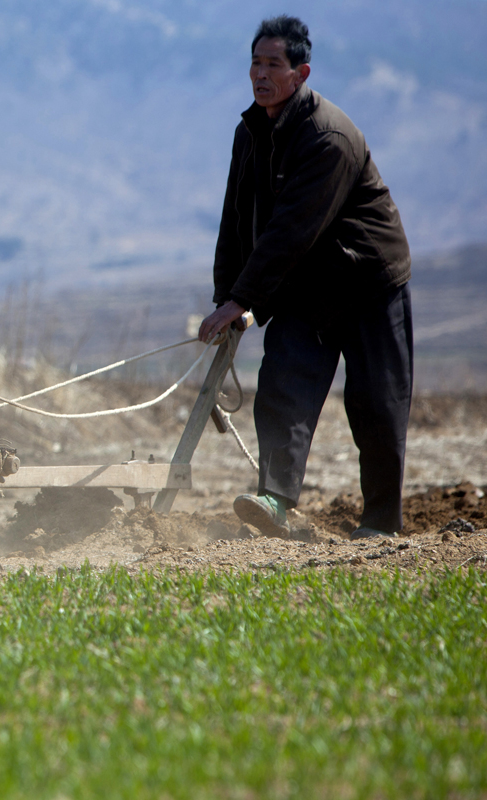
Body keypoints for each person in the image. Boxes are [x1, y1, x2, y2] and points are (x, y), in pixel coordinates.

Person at [197, 15, 413, 539]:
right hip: (307, 281)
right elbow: (237, 222)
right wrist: (228, 298)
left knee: (376, 403)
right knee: (283, 384)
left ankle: (381, 522)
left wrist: (247, 298)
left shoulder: (328, 136)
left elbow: (291, 229)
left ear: (301, 73)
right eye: (255, 62)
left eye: (274, 64)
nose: (261, 74)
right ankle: (273, 499)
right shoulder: (250, 133)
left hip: (367, 280)